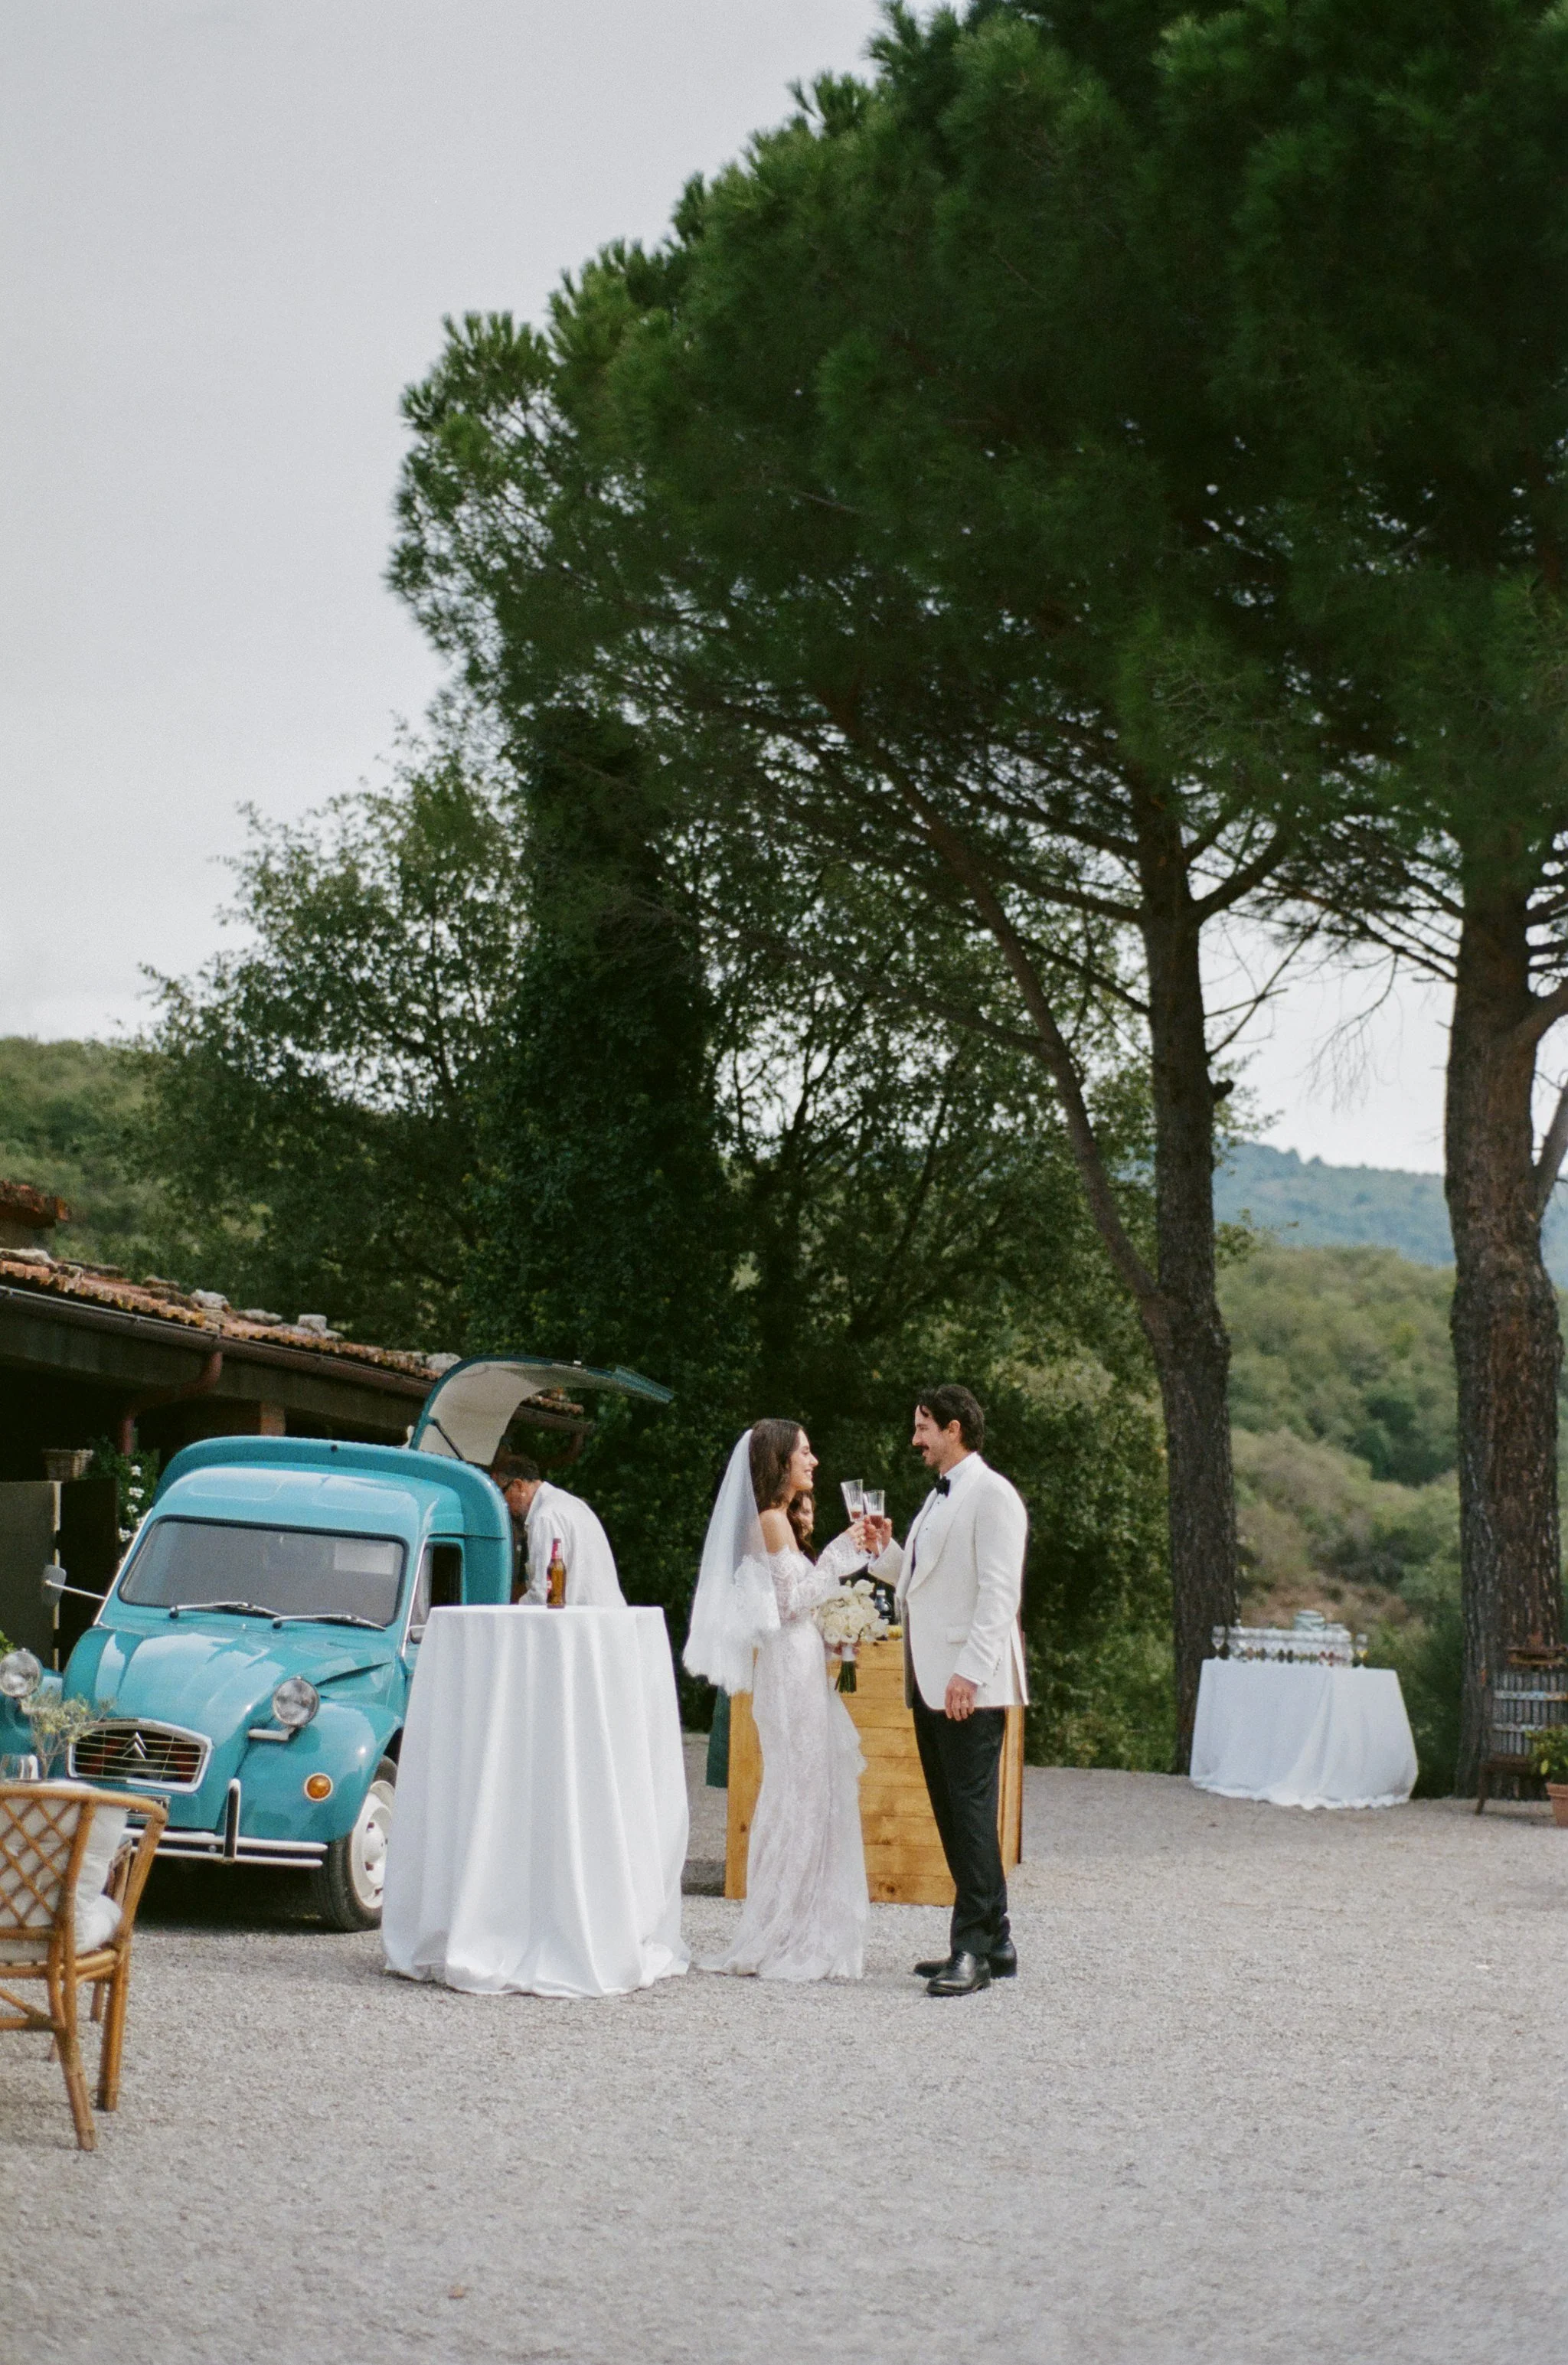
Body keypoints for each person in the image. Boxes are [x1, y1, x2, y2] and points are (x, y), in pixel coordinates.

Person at [684, 1420, 870, 1980]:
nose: (813, 1460)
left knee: (809, 1787)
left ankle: (802, 1917)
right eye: (805, 1452)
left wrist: (837, 1623)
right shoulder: (769, 1519)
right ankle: (785, 1925)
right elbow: (791, 1602)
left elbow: (801, 1602)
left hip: (801, 1660)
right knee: (799, 1788)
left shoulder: (778, 1522)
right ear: (779, 1461)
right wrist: (843, 1550)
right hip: (789, 1667)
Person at [862, 1384, 1027, 1998]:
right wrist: (886, 1553)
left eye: (923, 1427)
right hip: (930, 1681)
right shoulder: (937, 1500)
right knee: (955, 1816)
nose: (915, 1439)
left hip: (967, 1685)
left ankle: (972, 1951)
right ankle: (999, 1938)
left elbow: (997, 1594)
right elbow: (919, 1584)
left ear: (953, 1428)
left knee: (972, 1817)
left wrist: (970, 1672)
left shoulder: (994, 1496)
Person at [488, 1452, 626, 1607]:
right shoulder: (570, 1504)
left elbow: (543, 1595)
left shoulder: (545, 1518)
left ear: (519, 1486)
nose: (503, 1506)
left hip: (582, 1623)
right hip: (605, 1618)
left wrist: (504, 1610)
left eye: (501, 1495)